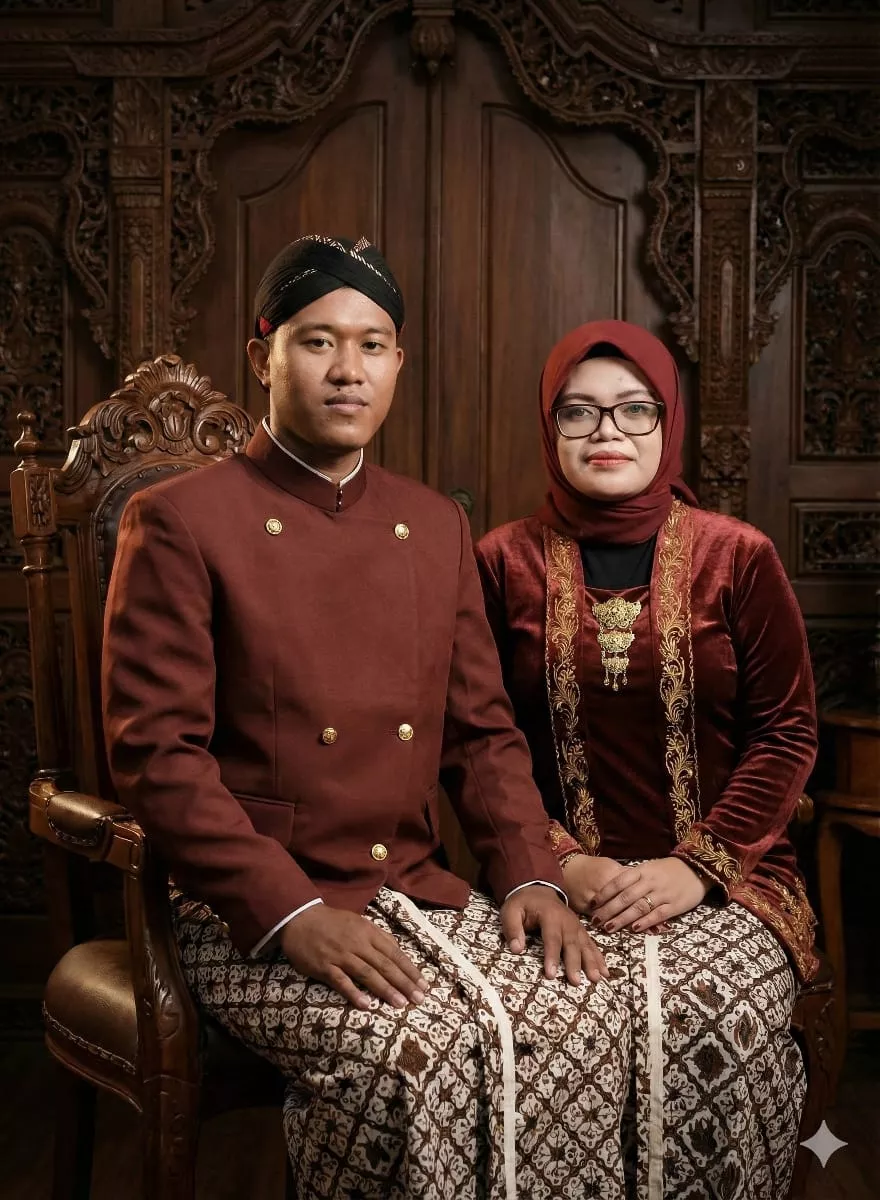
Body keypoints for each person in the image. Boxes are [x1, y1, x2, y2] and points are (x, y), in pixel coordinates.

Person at [101, 235, 612, 1200]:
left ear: (398, 364)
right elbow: (157, 757)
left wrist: (529, 873)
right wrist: (290, 913)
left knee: (579, 1019)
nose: (348, 370)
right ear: (262, 357)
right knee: (413, 1060)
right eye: (317, 341)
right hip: (242, 909)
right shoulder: (178, 519)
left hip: (410, 886)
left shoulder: (435, 522)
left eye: (372, 345)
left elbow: (481, 732)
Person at [475, 319, 818, 1200]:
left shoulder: (737, 557)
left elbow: (786, 733)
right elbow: (477, 739)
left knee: (706, 1017)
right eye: (579, 412)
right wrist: (557, 863)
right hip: (551, 882)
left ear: (668, 424)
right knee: (541, 1024)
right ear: (550, 428)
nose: (608, 431)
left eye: (634, 409)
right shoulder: (501, 563)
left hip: (732, 881)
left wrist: (697, 868)